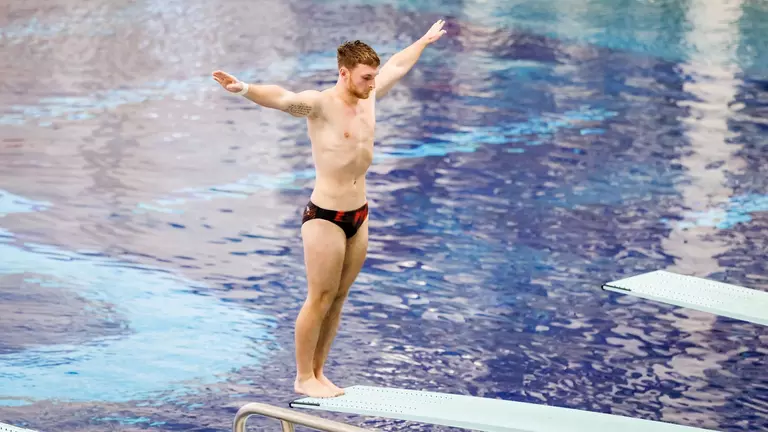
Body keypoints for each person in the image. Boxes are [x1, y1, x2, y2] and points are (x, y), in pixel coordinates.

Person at [212, 20, 447, 398]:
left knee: (338, 298)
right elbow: (283, 98)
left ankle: (319, 373)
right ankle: (302, 376)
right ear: (344, 73)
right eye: (366, 77)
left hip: (359, 214)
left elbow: (399, 66)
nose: (373, 84)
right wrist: (244, 89)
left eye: (373, 78)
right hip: (325, 217)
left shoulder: (369, 96)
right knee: (318, 297)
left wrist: (422, 40)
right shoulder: (321, 105)